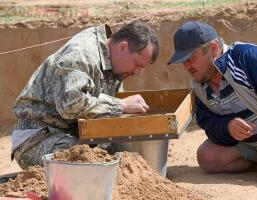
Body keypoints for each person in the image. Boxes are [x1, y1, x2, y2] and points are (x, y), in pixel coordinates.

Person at [168, 21, 257, 189]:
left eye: (190, 58)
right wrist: (227, 127)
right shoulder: (199, 82)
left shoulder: (248, 59)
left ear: (213, 49)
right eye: (182, 61)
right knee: (206, 157)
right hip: (256, 148)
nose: (186, 66)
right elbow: (207, 122)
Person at [11, 20, 159, 169]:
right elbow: (70, 105)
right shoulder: (81, 54)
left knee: (125, 157)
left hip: (73, 135)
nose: (137, 73)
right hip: (37, 138)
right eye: (137, 64)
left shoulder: (115, 65)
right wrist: (121, 105)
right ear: (123, 48)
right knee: (95, 164)